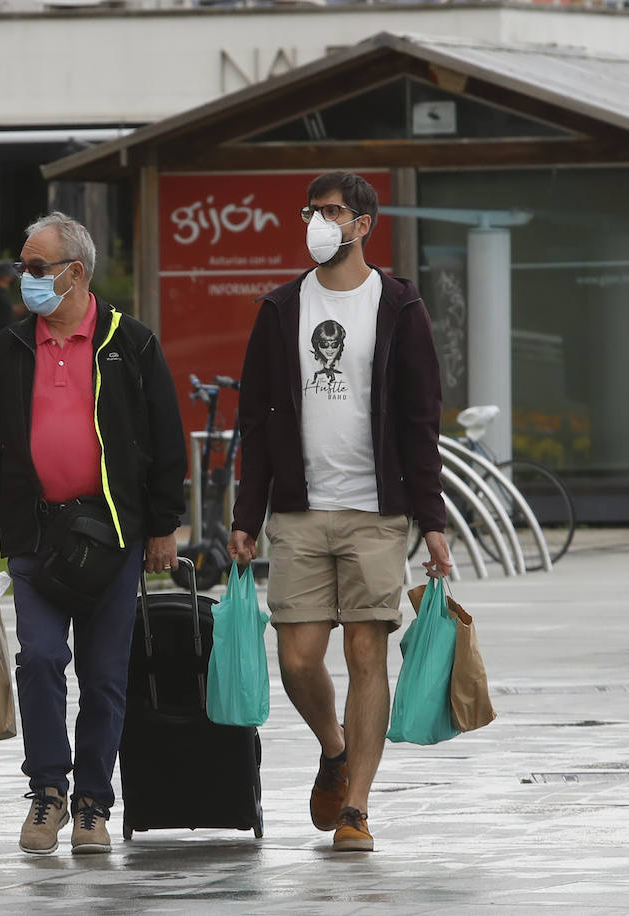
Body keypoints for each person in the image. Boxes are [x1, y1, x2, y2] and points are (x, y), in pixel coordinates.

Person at [227, 171, 453, 853]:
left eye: (331, 211)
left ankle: (355, 807)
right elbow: (257, 422)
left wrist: (433, 521)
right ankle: (335, 750)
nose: (317, 222)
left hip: (376, 513)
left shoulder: (398, 307)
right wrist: (246, 513)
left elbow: (421, 421)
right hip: (298, 511)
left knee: (365, 650)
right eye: (311, 210)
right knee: (297, 658)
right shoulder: (280, 308)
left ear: (363, 224)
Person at [0, 211, 187, 857]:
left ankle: (92, 803)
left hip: (112, 536)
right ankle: (47, 792)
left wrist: (164, 525)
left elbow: (165, 440)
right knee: (40, 660)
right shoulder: (11, 348)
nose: (22, 280)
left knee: (105, 674)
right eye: (20, 268)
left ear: (74, 273)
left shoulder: (129, 341)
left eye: (34, 269)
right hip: (34, 534)